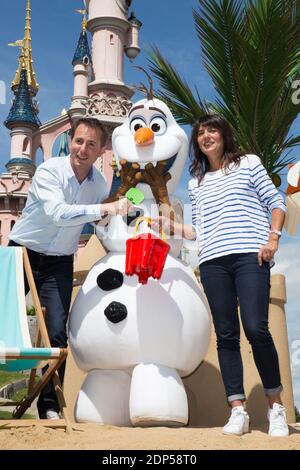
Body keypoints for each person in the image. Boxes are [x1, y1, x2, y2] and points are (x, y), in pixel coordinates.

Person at [152, 114, 289, 437]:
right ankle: (237, 410)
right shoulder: (197, 183)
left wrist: (272, 239)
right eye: (200, 133)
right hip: (213, 262)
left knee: (256, 328)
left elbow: (276, 202)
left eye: (212, 130)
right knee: (226, 336)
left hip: (249, 256)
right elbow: (198, 229)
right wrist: (171, 227)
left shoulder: (249, 163)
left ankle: (276, 407)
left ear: (224, 134)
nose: (206, 136)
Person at [8, 117, 133, 420]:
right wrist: (105, 209)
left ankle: (49, 406)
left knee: (56, 335)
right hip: (22, 252)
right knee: (3, 324)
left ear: (102, 149)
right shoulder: (51, 170)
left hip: (60, 262)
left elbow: (100, 222)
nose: (83, 149)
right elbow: (58, 214)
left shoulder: (100, 184)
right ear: (70, 141)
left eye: (92, 143)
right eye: (79, 141)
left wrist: (127, 214)